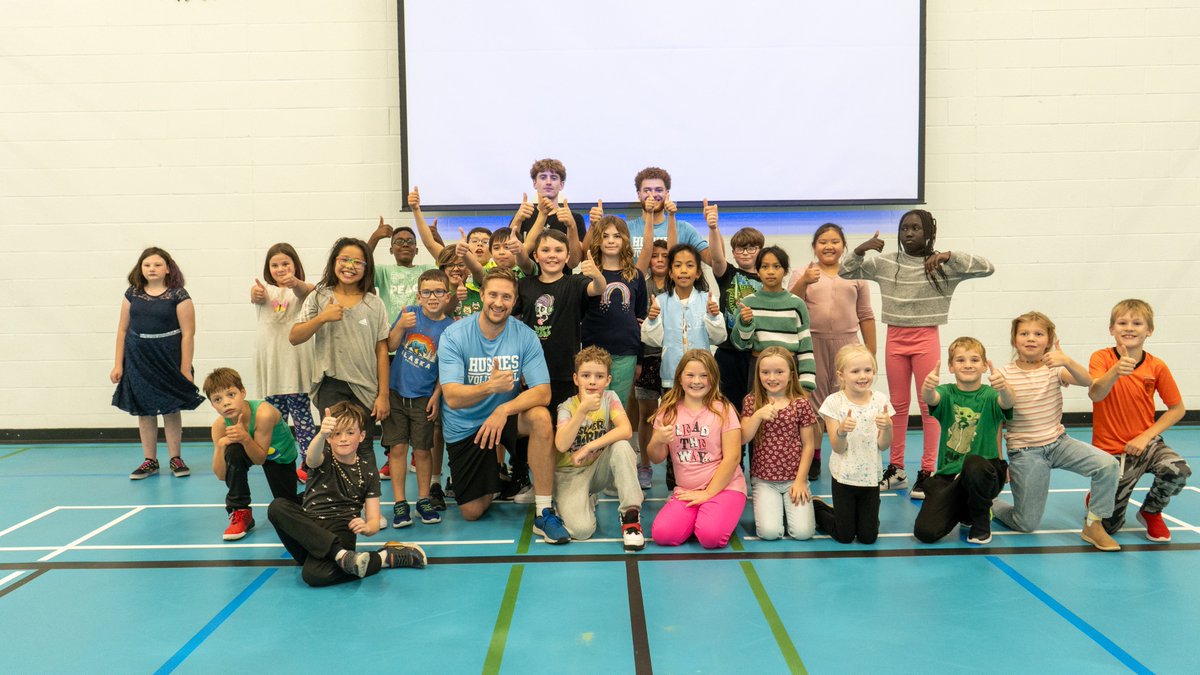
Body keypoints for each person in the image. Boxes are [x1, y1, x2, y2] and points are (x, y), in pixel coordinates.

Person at [841, 210, 995, 499]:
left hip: (926, 338)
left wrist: (950, 255)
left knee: (929, 407)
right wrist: (859, 251)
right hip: (895, 338)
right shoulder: (888, 263)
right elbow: (845, 272)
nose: (908, 234)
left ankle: (927, 471)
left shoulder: (942, 265)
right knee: (897, 405)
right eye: (903, 229)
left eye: (915, 228)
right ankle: (896, 469)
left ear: (929, 234)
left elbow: (988, 267)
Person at [437, 268, 570, 543]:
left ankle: (544, 510)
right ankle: (495, 479)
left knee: (541, 417)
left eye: (506, 297)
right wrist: (490, 387)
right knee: (472, 512)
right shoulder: (455, 335)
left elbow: (543, 392)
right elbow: (451, 396)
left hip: (504, 418)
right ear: (482, 295)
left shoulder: (524, 335)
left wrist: (503, 408)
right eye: (493, 294)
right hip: (466, 426)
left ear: (514, 300)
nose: (499, 302)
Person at [990, 312, 1120, 551]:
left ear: (1048, 341)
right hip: (1025, 451)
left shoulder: (1054, 369)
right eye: (1024, 333)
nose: (1031, 338)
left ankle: (1094, 524)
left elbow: (1087, 380)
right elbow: (997, 422)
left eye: (1038, 334)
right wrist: (1000, 459)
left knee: (1107, 465)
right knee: (1025, 524)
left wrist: (1067, 360)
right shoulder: (1004, 374)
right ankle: (992, 504)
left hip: (1059, 443)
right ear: (1014, 339)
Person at [267, 402, 427, 587]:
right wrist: (321, 434)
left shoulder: (368, 471)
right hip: (308, 528)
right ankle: (369, 558)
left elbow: (374, 520)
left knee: (314, 575)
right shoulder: (323, 457)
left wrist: (368, 527)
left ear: (362, 436)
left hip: (341, 529)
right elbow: (311, 458)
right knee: (277, 506)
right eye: (336, 434)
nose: (343, 438)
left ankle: (384, 555)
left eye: (350, 433)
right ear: (329, 438)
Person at [1088, 299, 1189, 542]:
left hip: (1146, 444)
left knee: (1178, 469)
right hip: (1112, 451)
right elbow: (1095, 394)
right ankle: (1099, 494)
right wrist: (1116, 370)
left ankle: (1151, 512)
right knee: (1110, 527)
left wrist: (1145, 437)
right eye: (1122, 323)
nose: (1129, 328)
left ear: (1149, 330)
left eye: (1137, 323)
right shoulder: (1101, 358)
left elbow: (1177, 409)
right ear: (1112, 329)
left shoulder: (1157, 366)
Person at [289, 238, 390, 466]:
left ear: (367, 268)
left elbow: (381, 351)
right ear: (334, 262)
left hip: (365, 388)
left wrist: (383, 395)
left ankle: (366, 499)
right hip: (331, 383)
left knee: (362, 445)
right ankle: (334, 499)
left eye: (358, 262)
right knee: (334, 443)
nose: (350, 266)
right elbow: (295, 336)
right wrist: (323, 317)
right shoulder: (319, 296)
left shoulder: (375, 304)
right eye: (344, 259)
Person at [790, 223, 876, 480]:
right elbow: (791, 304)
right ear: (814, 246)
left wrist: (870, 353)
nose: (829, 246)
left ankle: (853, 452)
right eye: (823, 241)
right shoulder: (802, 272)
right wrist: (804, 281)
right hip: (812, 344)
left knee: (848, 400)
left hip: (847, 344)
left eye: (835, 241)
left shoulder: (856, 274)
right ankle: (814, 457)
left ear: (844, 246)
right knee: (812, 404)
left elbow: (866, 315)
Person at [111, 247, 204, 480]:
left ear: (167, 268)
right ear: (140, 269)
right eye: (147, 265)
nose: (152, 269)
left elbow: (188, 334)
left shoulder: (179, 295)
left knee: (171, 409)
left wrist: (184, 368)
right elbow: (122, 330)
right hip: (138, 357)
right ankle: (149, 460)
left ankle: (175, 458)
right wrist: (118, 364)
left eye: (157, 265)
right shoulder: (132, 293)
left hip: (169, 357)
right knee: (145, 410)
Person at [913, 338, 1013, 545]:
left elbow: (1008, 402)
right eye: (960, 360)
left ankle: (981, 520)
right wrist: (928, 387)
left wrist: (1004, 387)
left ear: (984, 365)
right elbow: (931, 399)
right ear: (951, 366)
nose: (968, 364)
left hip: (986, 472)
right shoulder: (947, 392)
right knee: (926, 532)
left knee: (973, 463)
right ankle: (965, 508)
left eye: (975, 360)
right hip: (950, 474)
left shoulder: (990, 395)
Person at [647, 349, 745, 549]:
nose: (697, 381)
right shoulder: (668, 412)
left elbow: (733, 458)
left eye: (704, 375)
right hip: (687, 491)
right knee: (663, 535)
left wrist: (708, 494)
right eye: (690, 375)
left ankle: (715, 516)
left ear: (713, 379)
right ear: (680, 379)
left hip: (724, 488)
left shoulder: (724, 410)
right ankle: (703, 517)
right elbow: (656, 458)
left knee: (711, 538)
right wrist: (656, 440)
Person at [553, 347, 645, 550]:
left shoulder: (610, 398)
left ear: (608, 380)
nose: (592, 382)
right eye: (586, 376)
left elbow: (626, 430)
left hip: (597, 469)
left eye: (599, 376)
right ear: (576, 379)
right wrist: (582, 410)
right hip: (570, 474)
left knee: (621, 446)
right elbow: (561, 444)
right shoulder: (567, 407)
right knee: (581, 531)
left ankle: (631, 518)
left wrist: (588, 447)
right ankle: (578, 500)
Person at [382, 270, 455, 528]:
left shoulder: (451, 328)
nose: (432, 297)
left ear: (447, 296)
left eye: (438, 292)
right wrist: (402, 324)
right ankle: (400, 503)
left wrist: (437, 395)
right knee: (398, 449)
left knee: (423, 451)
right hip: (396, 394)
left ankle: (423, 499)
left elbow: (447, 369)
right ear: (419, 295)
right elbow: (390, 346)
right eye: (427, 292)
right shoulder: (409, 314)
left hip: (425, 398)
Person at [203, 367, 299, 541]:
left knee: (288, 507)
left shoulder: (264, 413)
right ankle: (240, 511)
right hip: (249, 447)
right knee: (233, 450)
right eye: (218, 399)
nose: (225, 402)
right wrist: (220, 445)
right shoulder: (219, 426)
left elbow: (260, 458)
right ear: (212, 404)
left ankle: (315, 499)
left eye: (231, 395)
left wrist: (245, 438)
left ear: (243, 392)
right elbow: (221, 475)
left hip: (278, 454)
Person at [250, 243, 317, 482]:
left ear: (295, 265)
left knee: (302, 415)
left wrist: (295, 282)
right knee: (275, 417)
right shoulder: (263, 290)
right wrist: (256, 294)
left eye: (286, 264)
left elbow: (306, 291)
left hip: (295, 364)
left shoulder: (303, 290)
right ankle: (280, 461)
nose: (281, 269)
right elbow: (255, 296)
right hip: (272, 365)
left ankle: (309, 463)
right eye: (275, 265)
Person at [814, 345, 893, 544]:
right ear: (841, 375)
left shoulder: (880, 400)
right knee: (845, 536)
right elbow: (837, 448)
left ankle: (861, 516)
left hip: (870, 478)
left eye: (868, 370)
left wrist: (888, 427)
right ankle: (818, 508)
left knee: (868, 537)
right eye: (855, 371)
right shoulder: (834, 403)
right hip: (844, 477)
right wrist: (841, 431)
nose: (862, 376)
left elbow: (883, 445)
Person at [740, 347, 818, 541]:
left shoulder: (800, 403)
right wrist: (758, 415)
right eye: (765, 372)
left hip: (794, 478)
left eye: (779, 372)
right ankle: (776, 507)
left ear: (791, 375)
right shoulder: (752, 401)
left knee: (803, 533)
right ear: (758, 375)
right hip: (764, 480)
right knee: (769, 533)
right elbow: (743, 438)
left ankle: (813, 507)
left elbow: (808, 445)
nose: (772, 378)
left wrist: (800, 480)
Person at [580, 215, 649, 413]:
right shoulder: (585, 275)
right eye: (605, 236)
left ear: (625, 240)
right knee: (593, 411)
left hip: (626, 354)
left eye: (617, 236)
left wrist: (640, 360)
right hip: (593, 354)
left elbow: (640, 320)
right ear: (597, 241)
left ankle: (617, 445)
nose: (611, 241)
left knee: (617, 410)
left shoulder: (636, 276)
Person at [641, 244, 726, 391]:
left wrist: (713, 317)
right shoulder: (660, 301)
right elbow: (652, 341)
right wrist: (653, 319)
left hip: (703, 377)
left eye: (690, 265)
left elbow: (719, 338)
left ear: (698, 272)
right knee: (673, 414)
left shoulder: (709, 300)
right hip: (672, 376)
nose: (684, 270)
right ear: (671, 273)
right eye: (678, 265)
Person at [731, 246, 816, 393]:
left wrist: (806, 385)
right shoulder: (748, 303)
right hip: (759, 368)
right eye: (764, 267)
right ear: (757, 271)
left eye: (776, 266)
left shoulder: (796, 304)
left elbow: (805, 346)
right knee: (759, 413)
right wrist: (745, 325)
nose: (770, 271)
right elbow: (740, 345)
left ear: (785, 271)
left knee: (789, 414)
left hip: (790, 369)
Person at [708, 217, 765, 436]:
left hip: (756, 353)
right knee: (730, 408)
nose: (746, 252)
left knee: (755, 409)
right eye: (740, 248)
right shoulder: (729, 274)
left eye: (752, 247)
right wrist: (713, 228)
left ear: (760, 249)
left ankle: (759, 461)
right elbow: (716, 256)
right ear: (733, 252)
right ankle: (735, 461)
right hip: (728, 352)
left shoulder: (767, 279)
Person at [608, 167, 711, 263]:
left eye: (659, 190)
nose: (652, 195)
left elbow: (715, 262)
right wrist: (593, 227)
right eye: (647, 190)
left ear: (667, 193)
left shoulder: (684, 229)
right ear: (639, 195)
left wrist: (713, 228)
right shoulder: (625, 229)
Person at [633, 239, 671, 489]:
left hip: (671, 359)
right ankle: (644, 464)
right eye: (654, 255)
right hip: (646, 358)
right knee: (647, 414)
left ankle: (675, 465)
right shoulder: (641, 286)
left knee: (673, 416)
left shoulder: (678, 287)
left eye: (664, 256)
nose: (658, 260)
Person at [510, 158, 587, 267]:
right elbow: (509, 255)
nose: (548, 182)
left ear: (561, 184)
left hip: (563, 281)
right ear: (535, 183)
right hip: (526, 280)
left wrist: (572, 226)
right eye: (543, 177)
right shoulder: (524, 214)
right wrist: (517, 219)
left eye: (554, 178)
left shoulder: (574, 218)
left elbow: (573, 263)